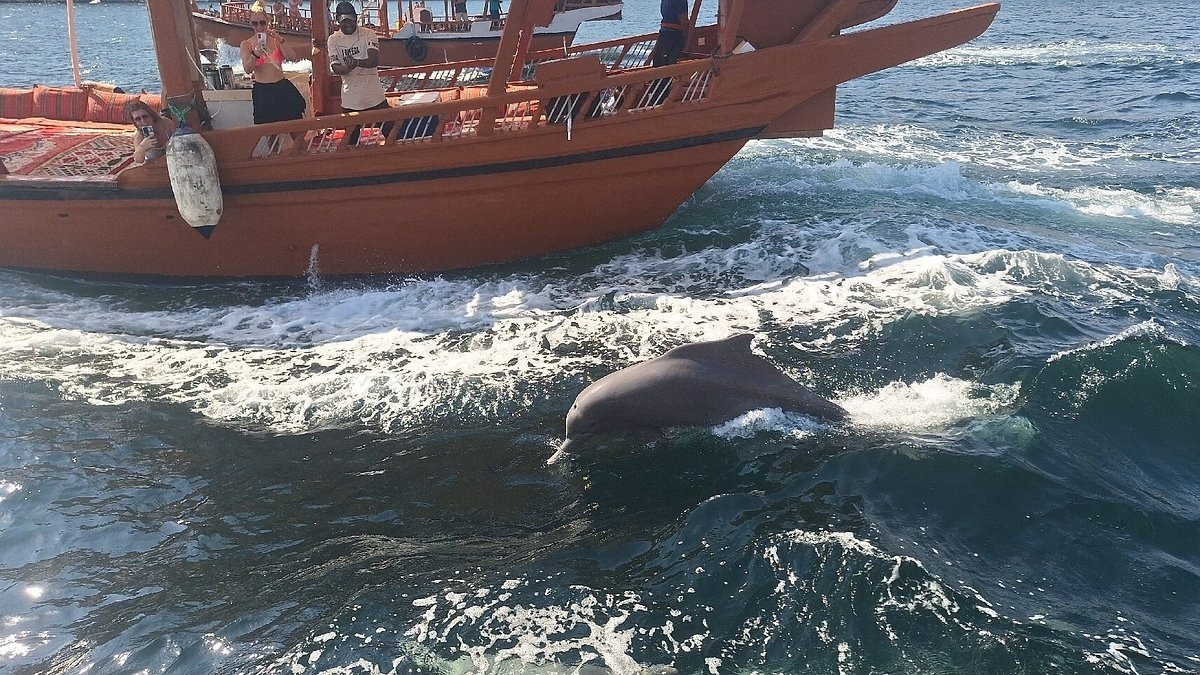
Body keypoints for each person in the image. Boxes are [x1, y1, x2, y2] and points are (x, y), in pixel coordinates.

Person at [328, 1, 392, 145]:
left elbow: (374, 60)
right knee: (351, 139)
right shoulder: (333, 40)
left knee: (391, 132)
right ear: (338, 21)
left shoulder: (368, 34)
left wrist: (355, 63)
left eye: (351, 21)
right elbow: (335, 68)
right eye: (344, 21)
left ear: (356, 19)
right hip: (350, 98)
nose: (348, 24)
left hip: (374, 96)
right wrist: (348, 68)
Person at [240, 11, 307, 126]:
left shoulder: (275, 41)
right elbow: (247, 69)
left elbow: (292, 56)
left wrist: (279, 38)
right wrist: (255, 55)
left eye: (262, 23)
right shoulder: (247, 44)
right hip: (263, 91)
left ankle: (296, 145)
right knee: (270, 133)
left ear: (267, 22)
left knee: (297, 128)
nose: (259, 27)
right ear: (251, 24)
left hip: (281, 87)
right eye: (255, 24)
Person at [127, 100, 174, 166]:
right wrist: (142, 147)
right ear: (134, 122)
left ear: (151, 115)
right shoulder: (140, 136)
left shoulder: (165, 123)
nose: (143, 121)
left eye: (145, 116)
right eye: (138, 119)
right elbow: (138, 160)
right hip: (156, 167)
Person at [652, 0, 688, 67]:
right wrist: (686, 41)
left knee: (659, 63)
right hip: (675, 35)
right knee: (670, 65)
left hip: (664, 33)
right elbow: (684, 21)